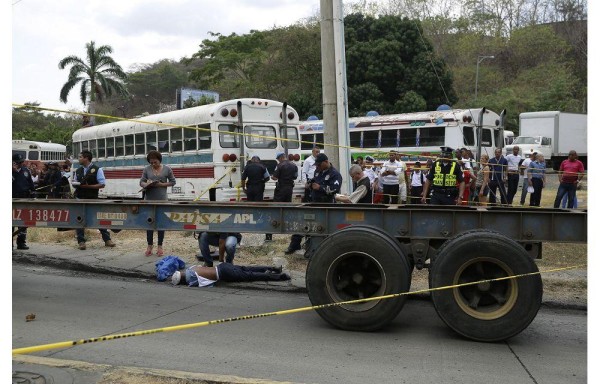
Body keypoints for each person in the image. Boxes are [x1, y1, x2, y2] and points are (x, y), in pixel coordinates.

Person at [286, 153, 342, 254]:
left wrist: (320, 188)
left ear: (326, 162)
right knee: (303, 222)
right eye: (316, 165)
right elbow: (314, 181)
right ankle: (295, 245)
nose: (317, 167)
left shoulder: (335, 174)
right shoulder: (318, 171)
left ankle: (321, 249)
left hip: (326, 205)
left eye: (319, 165)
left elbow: (335, 189)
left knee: (323, 228)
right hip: (314, 202)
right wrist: (310, 184)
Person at [72, 150, 115, 250]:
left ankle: (107, 239)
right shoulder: (78, 171)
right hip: (80, 198)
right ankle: (81, 242)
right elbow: (75, 182)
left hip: (92, 198)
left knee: (98, 219)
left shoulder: (97, 169)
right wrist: (75, 184)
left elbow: (102, 184)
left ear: (86, 158)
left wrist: (88, 187)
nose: (79, 159)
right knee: (79, 220)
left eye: (80, 157)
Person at [140, 150, 176, 256]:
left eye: (155, 162)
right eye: (151, 163)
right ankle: (149, 245)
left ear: (159, 160)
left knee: (161, 223)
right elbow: (141, 181)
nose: (153, 164)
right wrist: (146, 184)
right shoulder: (146, 169)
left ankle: (160, 246)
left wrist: (161, 184)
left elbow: (173, 182)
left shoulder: (167, 169)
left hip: (162, 199)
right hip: (149, 199)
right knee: (149, 223)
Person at [172, 263, 290, 287]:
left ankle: (280, 277)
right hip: (221, 266)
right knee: (248, 268)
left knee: (251, 275)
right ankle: (273, 268)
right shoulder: (192, 268)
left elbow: (207, 284)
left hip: (224, 273)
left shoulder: (192, 280)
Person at [12, 153, 34, 250]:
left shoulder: (26, 171)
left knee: (23, 222)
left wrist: (33, 192)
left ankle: (21, 242)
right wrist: (14, 172)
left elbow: (30, 183)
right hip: (13, 199)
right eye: (18, 162)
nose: (21, 164)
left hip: (25, 198)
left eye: (22, 162)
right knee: (11, 222)